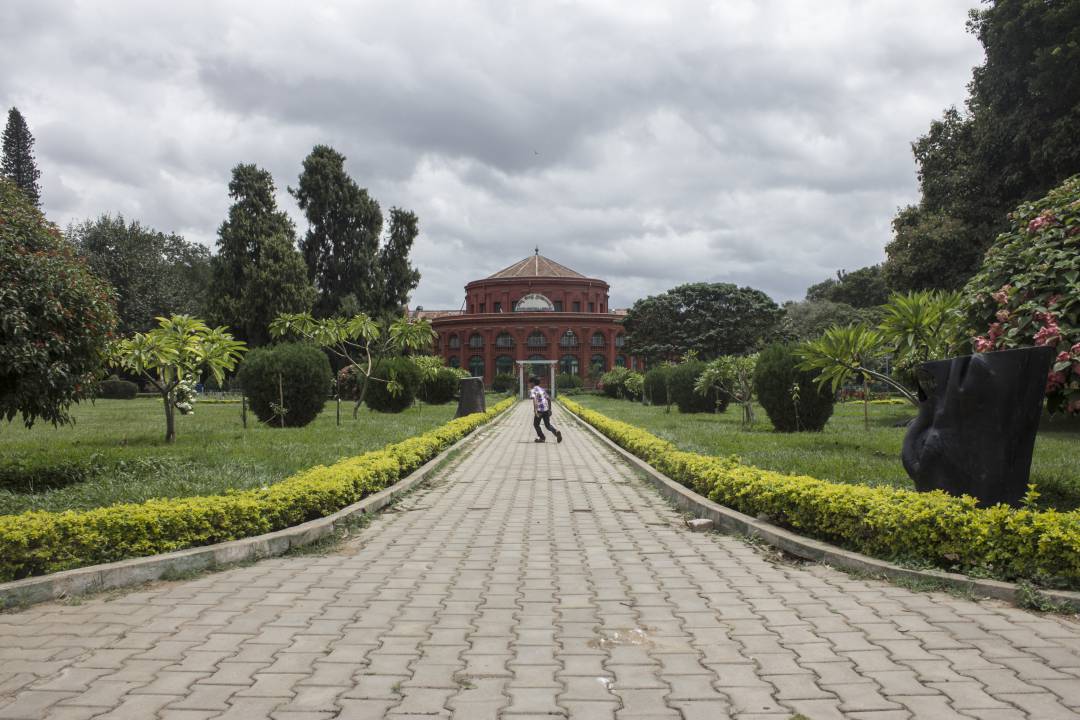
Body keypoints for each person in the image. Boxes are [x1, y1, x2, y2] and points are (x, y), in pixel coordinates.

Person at [529, 376, 562, 443]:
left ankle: (542, 438)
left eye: (530, 383)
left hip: (539, 410)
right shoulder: (542, 390)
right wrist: (550, 409)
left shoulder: (533, 390)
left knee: (536, 424)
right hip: (546, 409)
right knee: (547, 425)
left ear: (533, 383)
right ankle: (556, 432)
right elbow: (549, 399)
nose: (530, 385)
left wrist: (535, 411)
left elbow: (535, 400)